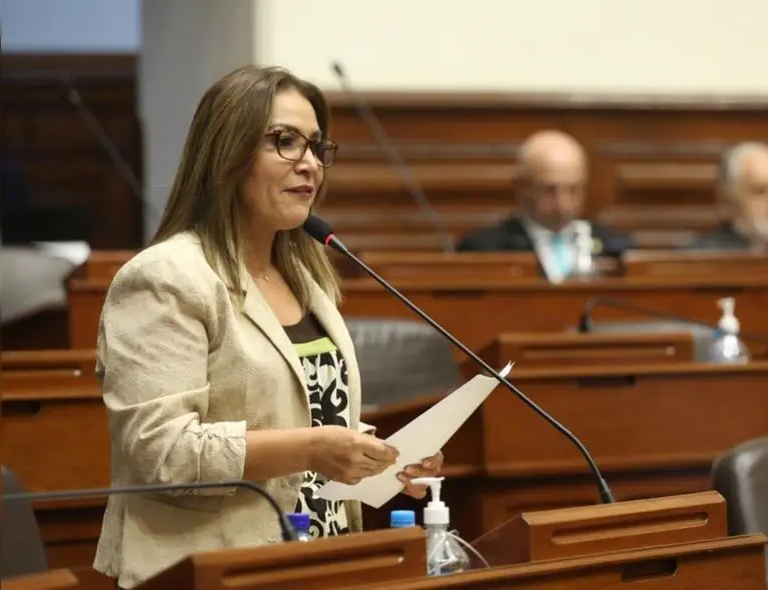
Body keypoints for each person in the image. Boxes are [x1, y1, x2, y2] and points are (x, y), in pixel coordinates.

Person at [92, 65, 443, 589]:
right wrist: (313, 448)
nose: (310, 164)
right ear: (226, 154)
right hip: (212, 570)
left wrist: (386, 459)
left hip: (323, 561)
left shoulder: (304, 276)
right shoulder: (165, 278)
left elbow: (303, 415)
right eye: (285, 141)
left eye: (317, 147)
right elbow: (160, 453)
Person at [456, 130, 631, 282]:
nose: (563, 204)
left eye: (573, 189)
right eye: (550, 190)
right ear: (522, 187)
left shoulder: (617, 248)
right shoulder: (484, 250)